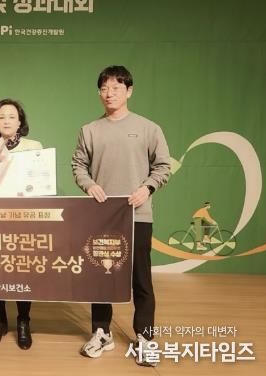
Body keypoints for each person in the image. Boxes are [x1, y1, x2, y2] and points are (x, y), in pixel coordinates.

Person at [71, 66, 171, 367]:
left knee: (141, 280)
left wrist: (147, 188)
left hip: (137, 214)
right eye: (104, 88)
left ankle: (145, 338)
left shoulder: (148, 128)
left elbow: (163, 166)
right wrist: (89, 185)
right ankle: (101, 332)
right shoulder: (90, 130)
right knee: (101, 278)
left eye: (116, 87)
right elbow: (78, 166)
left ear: (129, 91)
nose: (109, 93)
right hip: (102, 216)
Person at [0, 98, 42, 350]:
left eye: (11, 116)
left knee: (22, 270)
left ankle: (23, 320)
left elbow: (40, 183)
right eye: (1, 117)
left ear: (20, 122)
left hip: (24, 220)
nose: (6, 121)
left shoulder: (34, 147)